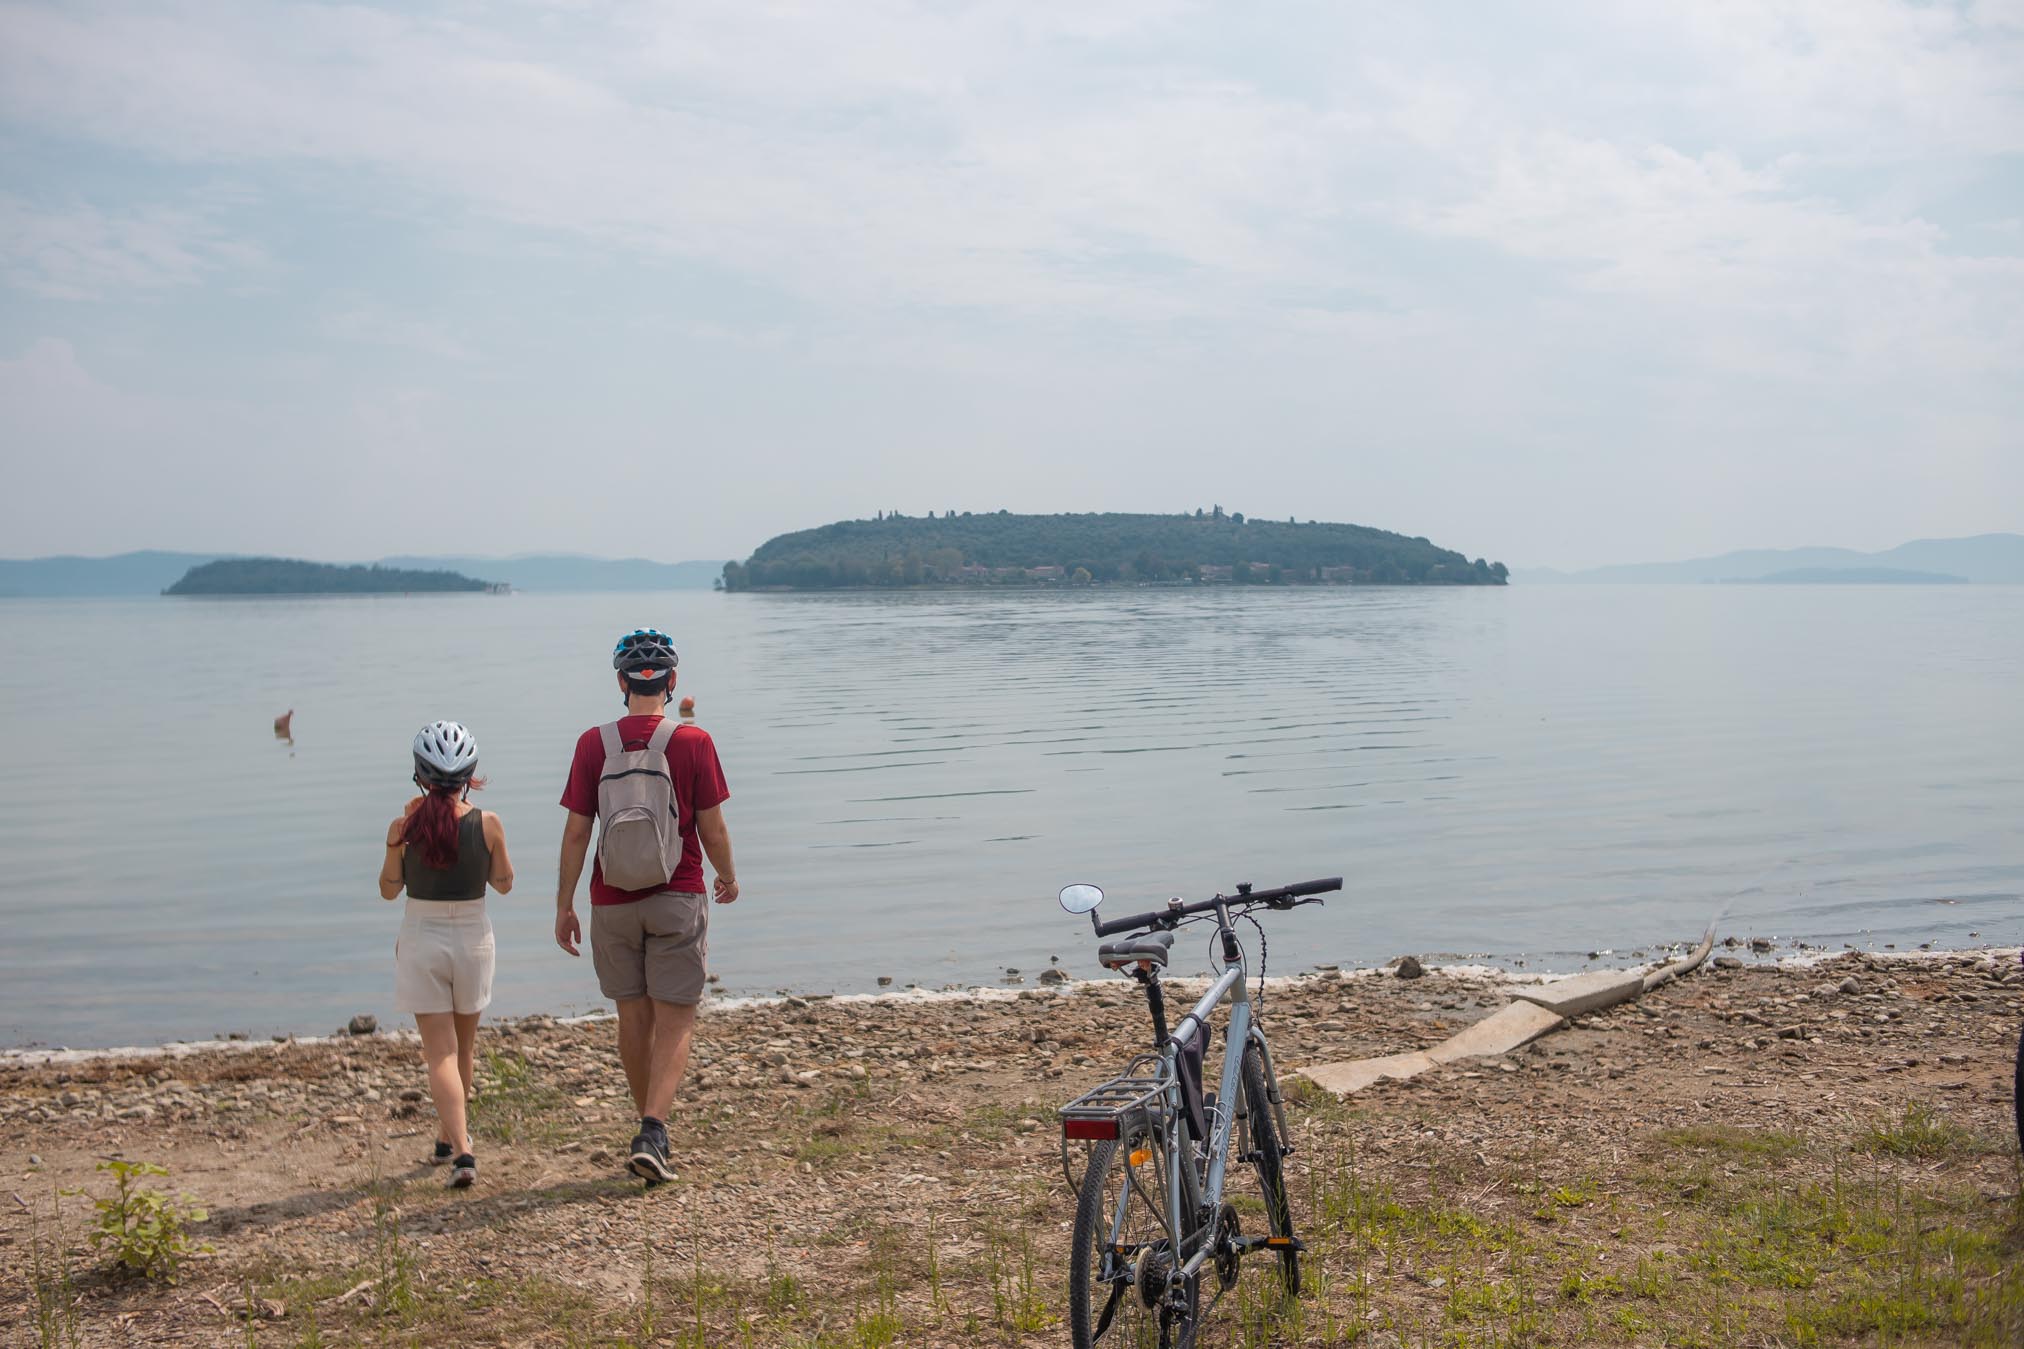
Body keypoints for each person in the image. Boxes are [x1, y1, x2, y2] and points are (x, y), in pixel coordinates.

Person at [556, 628, 736, 1186]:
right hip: (676, 894)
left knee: (633, 1018)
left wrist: (564, 905)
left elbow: (576, 834)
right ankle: (654, 1129)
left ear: (620, 682)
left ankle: (649, 1127)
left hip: (611, 901)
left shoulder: (593, 743)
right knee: (676, 1016)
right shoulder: (693, 742)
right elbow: (712, 825)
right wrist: (726, 874)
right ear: (673, 682)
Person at [378, 720, 514, 1189]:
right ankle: (451, 1139)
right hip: (473, 937)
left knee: (440, 1052)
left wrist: (397, 841)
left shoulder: (403, 827)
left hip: (422, 936)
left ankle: (461, 1151)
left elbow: (389, 891)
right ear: (469, 774)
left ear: (420, 774)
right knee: (464, 1047)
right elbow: (503, 883)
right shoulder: (489, 823)